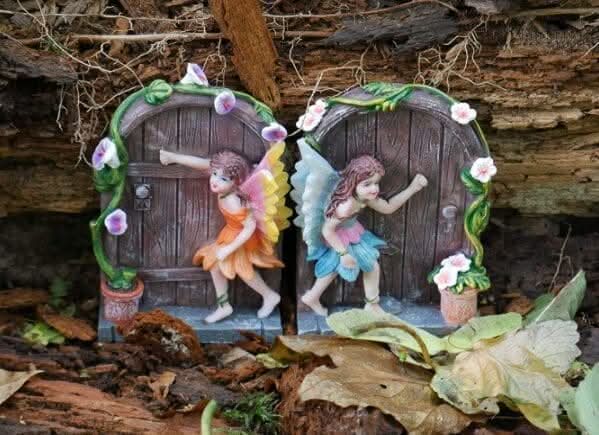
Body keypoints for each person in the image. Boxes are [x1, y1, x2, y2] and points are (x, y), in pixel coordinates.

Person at [291, 139, 428, 316]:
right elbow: (327, 230)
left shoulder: (364, 197)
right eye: (367, 184)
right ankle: (367, 304)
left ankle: (318, 297)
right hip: (338, 238)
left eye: (376, 183)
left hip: (352, 232)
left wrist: (413, 188)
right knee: (352, 265)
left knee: (355, 266)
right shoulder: (345, 205)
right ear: (353, 183)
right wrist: (344, 253)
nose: (374, 189)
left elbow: (388, 207)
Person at [160, 143, 291, 323]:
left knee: (242, 269)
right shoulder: (226, 188)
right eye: (214, 174)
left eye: (223, 179)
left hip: (240, 238)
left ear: (235, 181)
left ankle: (268, 296)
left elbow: (250, 227)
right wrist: (172, 157)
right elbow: (203, 164)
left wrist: (229, 249)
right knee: (217, 265)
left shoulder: (233, 201)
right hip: (230, 233)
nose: (214, 180)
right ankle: (225, 305)